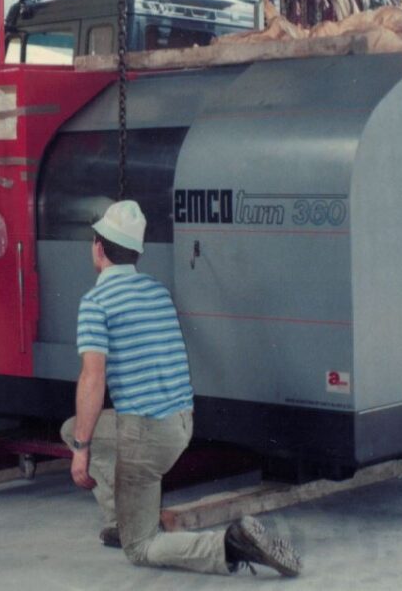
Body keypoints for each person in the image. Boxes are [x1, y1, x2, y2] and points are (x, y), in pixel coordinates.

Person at [61, 200, 303, 576]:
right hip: (181, 423)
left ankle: (228, 544)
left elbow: (93, 380)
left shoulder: (96, 302)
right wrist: (82, 438)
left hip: (146, 434)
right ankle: (120, 518)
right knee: (71, 428)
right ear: (136, 252)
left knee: (140, 548)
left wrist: (82, 451)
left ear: (97, 247)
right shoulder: (156, 291)